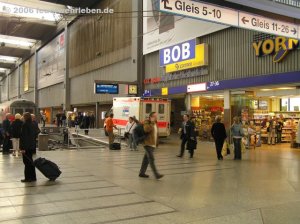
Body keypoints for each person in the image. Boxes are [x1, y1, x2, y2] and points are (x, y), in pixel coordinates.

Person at [139, 112, 164, 179]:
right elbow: (146, 130)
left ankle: (142, 173)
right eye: (154, 116)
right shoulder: (147, 122)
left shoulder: (155, 123)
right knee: (151, 159)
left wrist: (157, 143)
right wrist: (152, 123)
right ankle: (156, 174)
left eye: (156, 116)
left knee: (146, 159)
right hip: (147, 144)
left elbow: (156, 134)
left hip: (153, 144)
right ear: (150, 117)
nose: (156, 117)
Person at [20, 113, 37, 183]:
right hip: (32, 146)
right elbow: (36, 133)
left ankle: (28, 178)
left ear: (25, 117)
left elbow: (24, 137)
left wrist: (22, 148)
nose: (23, 118)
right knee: (31, 162)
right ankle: (33, 177)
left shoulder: (25, 125)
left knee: (26, 162)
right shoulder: (33, 124)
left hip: (26, 147)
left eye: (23, 116)